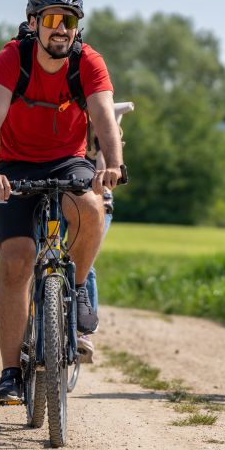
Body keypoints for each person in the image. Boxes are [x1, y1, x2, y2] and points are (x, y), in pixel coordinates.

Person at [0, 0, 126, 404]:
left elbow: (103, 116)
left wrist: (113, 163)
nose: (62, 29)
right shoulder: (12, 59)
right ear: (33, 25)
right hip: (15, 165)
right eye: (52, 20)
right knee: (16, 260)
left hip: (67, 160)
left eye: (70, 22)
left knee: (92, 205)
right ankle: (9, 374)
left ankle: (75, 286)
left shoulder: (88, 61)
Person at [84, 101, 134, 312]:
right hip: (67, 200)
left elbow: (103, 180)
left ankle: (84, 327)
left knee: (86, 263)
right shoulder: (73, 139)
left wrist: (102, 150)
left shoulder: (106, 148)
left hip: (100, 205)